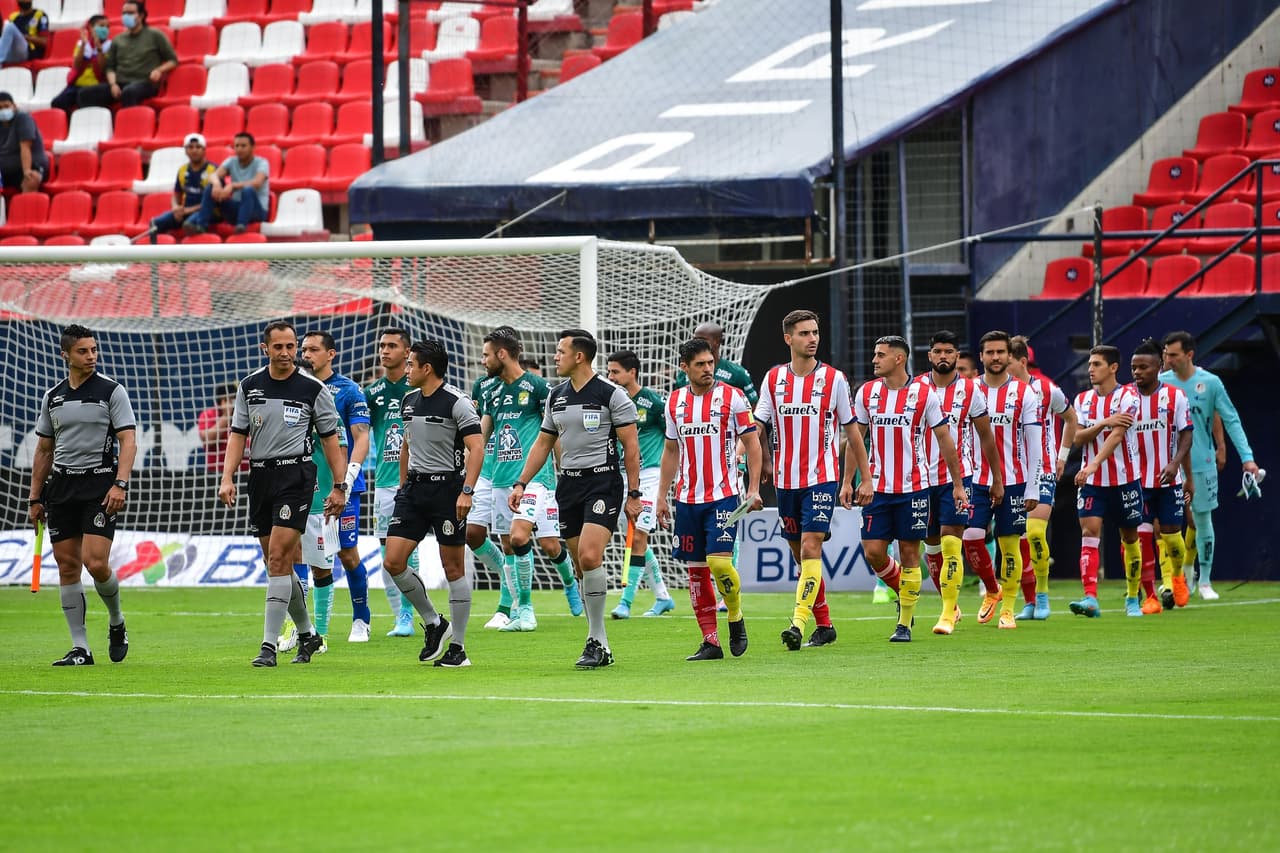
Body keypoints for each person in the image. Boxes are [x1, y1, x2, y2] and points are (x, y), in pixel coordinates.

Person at [509, 329, 642, 668]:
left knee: (589, 555)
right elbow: (542, 444)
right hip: (567, 485)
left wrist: (634, 493)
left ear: (579, 356)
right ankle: (599, 641)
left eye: (561, 351)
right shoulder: (556, 396)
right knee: (581, 567)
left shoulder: (612, 394)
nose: (556, 357)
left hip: (603, 483)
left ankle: (596, 639)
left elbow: (631, 447)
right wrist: (521, 482)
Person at [218, 321, 346, 667]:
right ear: (266, 349)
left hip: (296, 475)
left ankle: (268, 646)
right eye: (279, 347)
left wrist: (339, 485)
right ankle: (308, 634)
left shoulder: (313, 388)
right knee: (276, 563)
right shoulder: (250, 386)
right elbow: (237, 435)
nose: (287, 353)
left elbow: (330, 440)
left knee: (277, 558)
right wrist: (227, 477)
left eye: (292, 346)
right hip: (260, 477)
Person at [754, 310, 871, 649]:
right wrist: (745, 453)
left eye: (815, 332)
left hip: (821, 478)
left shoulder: (834, 379)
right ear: (788, 338)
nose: (813, 338)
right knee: (799, 556)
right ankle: (825, 624)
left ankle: (798, 624)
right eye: (804, 333)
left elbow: (853, 432)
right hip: (785, 482)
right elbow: (758, 423)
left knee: (810, 547)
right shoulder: (774, 378)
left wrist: (864, 479)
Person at [28, 325, 137, 666]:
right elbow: (44, 449)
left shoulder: (111, 391)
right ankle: (81, 648)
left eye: (94, 350)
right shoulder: (53, 397)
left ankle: (116, 621)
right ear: (66, 355)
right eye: (83, 351)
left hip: (99, 486)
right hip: (61, 488)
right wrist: (34, 498)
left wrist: (120, 483)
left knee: (95, 563)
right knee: (68, 566)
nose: (91, 356)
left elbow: (128, 441)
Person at [852, 335, 967, 642]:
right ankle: (905, 595)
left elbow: (945, 439)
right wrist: (847, 481)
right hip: (877, 488)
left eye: (880, 355)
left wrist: (957, 484)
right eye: (875, 354)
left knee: (909, 554)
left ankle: (903, 624)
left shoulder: (923, 394)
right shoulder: (866, 393)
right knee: (873, 552)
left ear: (898, 359)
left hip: (914, 489)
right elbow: (856, 438)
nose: (874, 360)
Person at [381, 340, 485, 667]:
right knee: (393, 562)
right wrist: (402, 487)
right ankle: (434, 622)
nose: (406, 369)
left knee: (452, 567)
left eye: (411, 364)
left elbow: (477, 448)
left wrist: (466, 491)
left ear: (427, 369)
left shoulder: (458, 402)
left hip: (447, 492)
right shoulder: (409, 401)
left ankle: (459, 647)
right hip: (414, 490)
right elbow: (407, 446)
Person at [655, 338, 760, 660]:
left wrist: (753, 488)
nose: (707, 369)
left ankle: (735, 616)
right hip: (687, 500)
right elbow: (671, 451)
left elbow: (753, 444)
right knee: (697, 571)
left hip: (724, 496)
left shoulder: (733, 397)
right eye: (700, 364)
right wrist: (661, 496)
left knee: (718, 562)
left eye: (710, 363)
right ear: (684, 368)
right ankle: (710, 641)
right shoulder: (673, 402)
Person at [478, 326, 582, 633]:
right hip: (500, 479)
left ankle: (553, 594)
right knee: (510, 546)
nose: (483, 361)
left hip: (537, 479)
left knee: (539, 541)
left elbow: (553, 433)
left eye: (486, 355)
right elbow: (482, 436)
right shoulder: (490, 392)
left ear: (502, 354)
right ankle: (519, 610)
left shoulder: (539, 388)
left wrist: (566, 474)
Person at [286, 331, 372, 647]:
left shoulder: (347, 391)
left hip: (340, 486)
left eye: (313, 350)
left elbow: (358, 437)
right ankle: (302, 628)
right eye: (303, 349)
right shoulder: (294, 389)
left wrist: (345, 481)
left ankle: (361, 618)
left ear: (331, 354)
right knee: (297, 552)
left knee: (346, 554)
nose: (306, 355)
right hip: (304, 486)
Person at [1160, 330, 1260, 600]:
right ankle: (1172, 579)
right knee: (1164, 523)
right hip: (1167, 465)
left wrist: (1246, 457)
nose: (1167, 359)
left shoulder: (1211, 383)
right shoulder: (1161, 382)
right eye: (1166, 354)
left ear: (1189, 354)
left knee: (1202, 519)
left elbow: (1230, 418)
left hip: (1201, 462)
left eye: (1173, 354)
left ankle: (1203, 579)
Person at [917, 330, 1001, 635]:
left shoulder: (969, 390)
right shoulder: (916, 388)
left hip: (958, 478)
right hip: (921, 478)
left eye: (949, 351)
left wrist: (996, 479)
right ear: (929, 356)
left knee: (954, 541)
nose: (943, 356)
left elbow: (986, 437)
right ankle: (950, 603)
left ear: (957, 356)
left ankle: (947, 614)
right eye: (937, 351)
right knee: (932, 547)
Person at [967, 331, 1040, 631]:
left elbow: (1034, 444)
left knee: (1010, 546)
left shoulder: (1025, 393)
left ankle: (1008, 608)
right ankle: (992, 588)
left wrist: (1034, 486)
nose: (995, 357)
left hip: (1014, 481)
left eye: (1001, 352)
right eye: (989, 352)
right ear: (981, 356)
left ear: (1009, 356)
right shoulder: (968, 390)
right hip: (975, 480)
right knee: (971, 538)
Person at [1070, 345, 1144, 618]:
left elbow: (1118, 435)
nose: (1090, 369)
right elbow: (1077, 437)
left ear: (1113, 367)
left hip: (1125, 480)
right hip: (1092, 483)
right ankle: (1090, 598)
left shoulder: (1129, 396)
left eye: (1097, 364)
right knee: (1089, 534)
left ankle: (1133, 597)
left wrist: (1093, 463)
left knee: (1130, 536)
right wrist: (1103, 422)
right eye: (1090, 363)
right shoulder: (1082, 400)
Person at [1008, 335, 1078, 620]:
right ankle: (1028, 601)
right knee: (1017, 539)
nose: (1000, 365)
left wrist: (1061, 457)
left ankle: (1043, 595)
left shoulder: (1047, 389)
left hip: (1042, 469)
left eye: (1008, 361)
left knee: (1035, 533)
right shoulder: (997, 391)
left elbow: (1072, 419)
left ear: (1022, 362)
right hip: (1012, 472)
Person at [365, 327, 427, 637]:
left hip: (418, 480)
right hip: (385, 481)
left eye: (392, 346)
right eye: (382, 345)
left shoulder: (418, 389)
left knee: (408, 548)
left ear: (407, 353)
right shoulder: (372, 394)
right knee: (384, 549)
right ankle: (399, 616)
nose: (385, 351)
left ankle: (409, 612)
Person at [606, 350, 675, 619]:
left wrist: (672, 481)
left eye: (615, 371)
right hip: (624, 478)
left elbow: (673, 440)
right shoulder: (612, 402)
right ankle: (663, 597)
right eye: (609, 372)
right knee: (637, 540)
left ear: (632, 372)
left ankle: (625, 602)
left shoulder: (653, 403)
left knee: (637, 537)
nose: (610, 376)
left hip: (649, 478)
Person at [1129, 338, 1193, 614]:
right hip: (1136, 483)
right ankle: (1150, 596)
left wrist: (1175, 464)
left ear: (1157, 367)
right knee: (1142, 539)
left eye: (1143, 367)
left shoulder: (1175, 397)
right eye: (1134, 367)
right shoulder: (1125, 398)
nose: (1137, 372)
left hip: (1169, 481)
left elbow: (1186, 434)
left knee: (1172, 538)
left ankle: (1177, 576)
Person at [78, 1, 176, 109]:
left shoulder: (155, 35)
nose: (126, 16)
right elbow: (110, 67)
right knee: (84, 94)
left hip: (145, 83)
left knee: (129, 92)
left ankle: (129, 124)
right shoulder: (118, 39)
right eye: (124, 13)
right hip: (120, 83)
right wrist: (113, 85)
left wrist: (159, 70)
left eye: (130, 13)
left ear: (141, 15)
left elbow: (172, 60)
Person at [186, 132, 269, 235]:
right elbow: (213, 176)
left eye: (243, 146)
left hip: (256, 211)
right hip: (236, 209)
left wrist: (232, 186)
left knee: (248, 190)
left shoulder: (262, 163)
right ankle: (201, 226)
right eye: (236, 146)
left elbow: (257, 182)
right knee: (211, 187)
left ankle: (241, 226)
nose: (239, 149)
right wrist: (216, 185)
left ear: (253, 147)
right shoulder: (231, 161)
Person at [148, 133, 217, 236]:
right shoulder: (182, 170)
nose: (194, 150)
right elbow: (176, 194)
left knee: (189, 224)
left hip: (206, 212)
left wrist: (187, 210)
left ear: (204, 150)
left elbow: (215, 201)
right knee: (154, 224)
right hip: (185, 211)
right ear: (185, 150)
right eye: (190, 147)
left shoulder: (213, 170)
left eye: (198, 147)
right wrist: (175, 207)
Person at [51, 15, 111, 114]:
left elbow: (103, 69)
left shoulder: (110, 46)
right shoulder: (81, 44)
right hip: (78, 84)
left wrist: (99, 49)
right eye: (101, 26)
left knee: (82, 97)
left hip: (96, 85)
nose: (105, 29)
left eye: (107, 27)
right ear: (91, 28)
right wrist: (84, 45)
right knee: (57, 102)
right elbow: (76, 66)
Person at [0, 93, 48, 194]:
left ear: (14, 106)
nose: (3, 110)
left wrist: (26, 171)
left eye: (6, 106)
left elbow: (25, 147)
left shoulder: (23, 119)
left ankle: (26, 208)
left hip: (30, 166)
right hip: (6, 171)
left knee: (31, 180)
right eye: (0, 108)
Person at [196, 379, 238, 471]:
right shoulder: (208, 415)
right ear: (223, 401)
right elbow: (208, 440)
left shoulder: (242, 415)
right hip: (217, 475)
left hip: (245, 475)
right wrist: (226, 415)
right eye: (233, 399)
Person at [1, 0, 48, 67]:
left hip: (29, 51)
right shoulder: (13, 16)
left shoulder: (40, 15)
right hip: (11, 52)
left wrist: (25, 37)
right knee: (6, 25)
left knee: (8, 26)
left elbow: (44, 41)